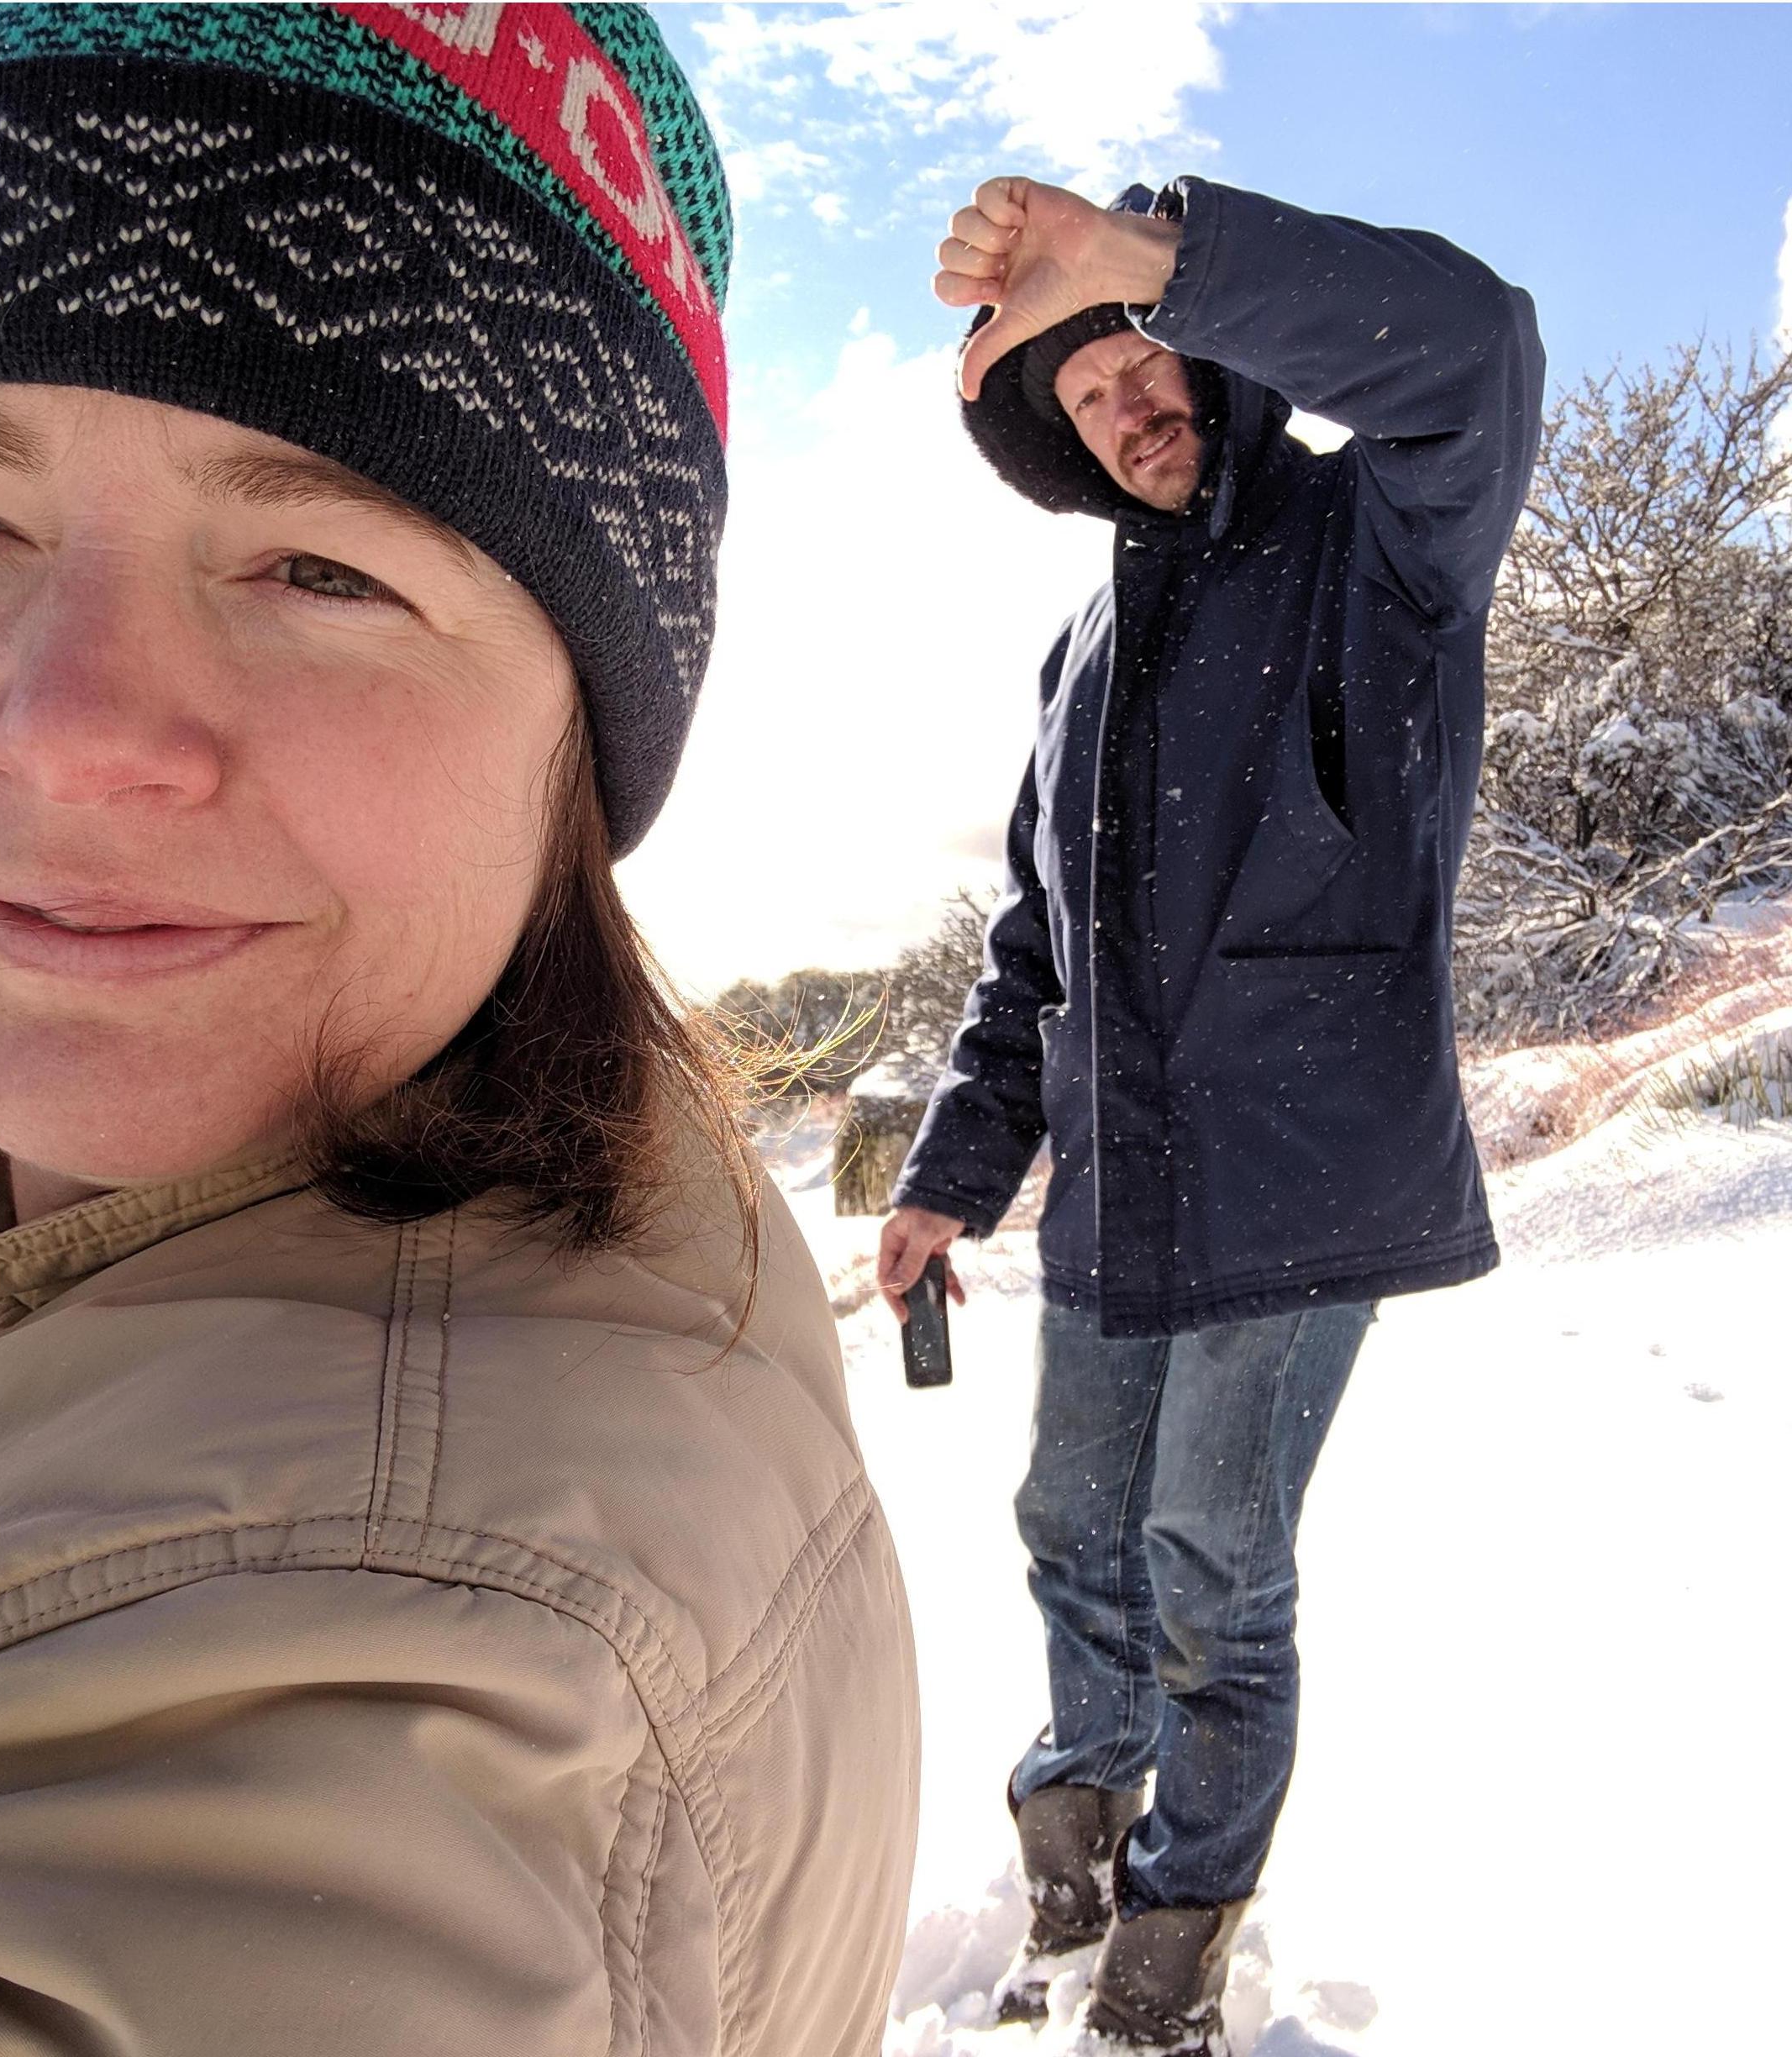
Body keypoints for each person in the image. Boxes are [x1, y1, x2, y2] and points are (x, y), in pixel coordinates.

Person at [0, 7, 918, 2051]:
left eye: (319, 565)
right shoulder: (530, 1216)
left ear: (577, 750)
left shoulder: (396, 1663)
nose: (73, 729)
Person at [878, 172, 1542, 2051]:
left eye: (1148, 356)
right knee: (1068, 1518)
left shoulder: (1379, 538)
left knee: (1208, 1561)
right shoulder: (1079, 663)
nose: (1132, 404)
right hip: (1124, 1186)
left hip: (1307, 1171)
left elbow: (1479, 349)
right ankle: (1080, 1829)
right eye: (1087, 399)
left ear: (1218, 347)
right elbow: (1036, 955)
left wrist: (1155, 252)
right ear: (1065, 448)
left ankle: (1178, 1935)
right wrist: (953, 1173)